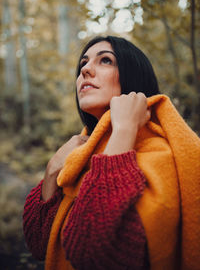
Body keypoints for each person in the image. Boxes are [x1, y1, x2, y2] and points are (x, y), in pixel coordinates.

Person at [23, 36, 200, 270]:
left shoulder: (160, 156)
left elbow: (91, 254)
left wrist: (125, 129)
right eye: (83, 64)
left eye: (105, 60)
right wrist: (53, 168)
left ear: (132, 76)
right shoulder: (80, 155)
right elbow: (38, 245)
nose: (85, 69)